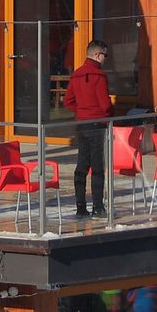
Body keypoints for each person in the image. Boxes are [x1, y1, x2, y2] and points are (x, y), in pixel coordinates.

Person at [63, 40, 113, 218]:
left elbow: (68, 100)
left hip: (82, 124)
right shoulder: (99, 76)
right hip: (97, 125)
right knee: (97, 167)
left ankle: (80, 207)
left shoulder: (76, 74)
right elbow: (105, 105)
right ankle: (98, 207)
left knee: (82, 166)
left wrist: (82, 111)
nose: (105, 59)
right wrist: (103, 113)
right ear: (98, 55)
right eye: (105, 55)